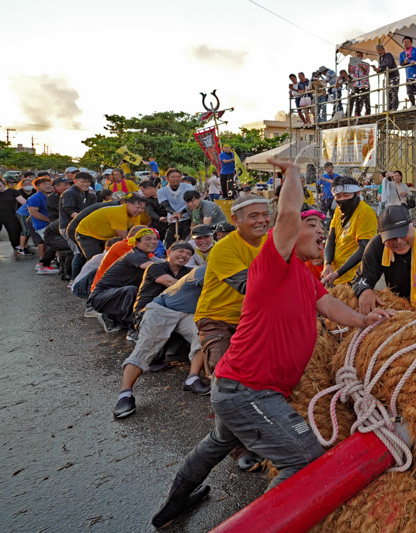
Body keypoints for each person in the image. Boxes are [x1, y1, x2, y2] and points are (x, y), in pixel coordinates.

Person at [150, 158, 393, 528]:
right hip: (248, 390)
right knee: (303, 457)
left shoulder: (303, 274)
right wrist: (292, 172)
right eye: (313, 228)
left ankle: (173, 506)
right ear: (290, 234)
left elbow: (327, 305)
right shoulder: (271, 263)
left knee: (217, 443)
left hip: (245, 388)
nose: (321, 233)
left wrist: (363, 320)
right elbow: (289, 213)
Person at [113, 262, 210, 419]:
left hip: (188, 313)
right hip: (162, 308)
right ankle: (124, 394)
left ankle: (192, 379)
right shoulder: (204, 271)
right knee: (146, 348)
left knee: (205, 335)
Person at [194, 193, 271, 377]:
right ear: (236, 220)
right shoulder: (223, 247)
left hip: (253, 316)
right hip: (218, 317)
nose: (262, 220)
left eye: (265, 214)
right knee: (223, 372)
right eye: (254, 216)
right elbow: (248, 286)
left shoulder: (272, 241)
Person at [89, 228, 159, 333]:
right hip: (101, 296)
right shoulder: (133, 254)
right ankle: (132, 328)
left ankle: (119, 319)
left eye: (155, 239)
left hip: (116, 292)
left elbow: (159, 263)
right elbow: (155, 268)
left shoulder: (141, 253)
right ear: (136, 242)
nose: (153, 242)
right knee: (131, 290)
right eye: (148, 239)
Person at [321, 176, 378, 287]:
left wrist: (338, 273)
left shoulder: (365, 212)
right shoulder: (339, 209)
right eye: (338, 196)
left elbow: (364, 248)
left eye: (346, 195)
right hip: (335, 276)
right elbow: (331, 238)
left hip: (355, 278)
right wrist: (327, 263)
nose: (342, 200)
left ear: (357, 193)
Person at [130, 242, 194, 340]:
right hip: (148, 312)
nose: (184, 255)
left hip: (174, 314)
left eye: (188, 254)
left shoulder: (189, 272)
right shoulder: (155, 267)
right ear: (168, 252)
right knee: (155, 351)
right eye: (180, 251)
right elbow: (172, 284)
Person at [75, 195, 146, 260]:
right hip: (87, 233)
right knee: (95, 259)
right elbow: (124, 236)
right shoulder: (119, 213)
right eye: (137, 207)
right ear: (128, 204)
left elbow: (136, 231)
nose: (140, 210)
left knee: (107, 256)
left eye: (142, 208)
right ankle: (76, 273)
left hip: (103, 235)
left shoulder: (135, 214)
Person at [17, 174, 53, 269]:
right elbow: (33, 213)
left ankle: (43, 263)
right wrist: (50, 220)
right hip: (41, 225)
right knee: (53, 244)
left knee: (44, 243)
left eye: (49, 184)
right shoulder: (35, 198)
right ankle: (44, 265)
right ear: (37, 187)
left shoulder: (49, 196)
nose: (48, 186)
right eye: (44, 184)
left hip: (47, 224)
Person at [59, 171, 95, 264]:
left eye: (88, 182)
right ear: (75, 181)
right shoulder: (70, 193)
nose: (86, 184)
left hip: (77, 225)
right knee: (78, 252)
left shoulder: (82, 192)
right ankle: (73, 277)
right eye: (83, 182)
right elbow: (68, 210)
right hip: (68, 226)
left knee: (81, 251)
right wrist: (83, 218)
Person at [157, 168, 194, 247]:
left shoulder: (188, 187)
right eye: (173, 177)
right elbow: (166, 205)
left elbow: (191, 202)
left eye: (178, 177)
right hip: (173, 219)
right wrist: (174, 213)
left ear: (181, 178)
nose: (176, 179)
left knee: (186, 243)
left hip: (188, 218)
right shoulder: (161, 191)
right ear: (167, 179)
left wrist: (181, 212)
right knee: (169, 245)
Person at [0, 177, 25, 255]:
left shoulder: (13, 192)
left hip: (11, 217)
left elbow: (24, 202)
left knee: (14, 233)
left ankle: (17, 247)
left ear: (2, 182)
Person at [399, 36, 416, 106]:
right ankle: (413, 105)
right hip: (409, 75)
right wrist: (405, 62)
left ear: (411, 43)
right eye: (404, 42)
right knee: (409, 91)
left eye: (407, 42)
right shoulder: (402, 54)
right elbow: (401, 64)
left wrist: (415, 61)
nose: (406, 43)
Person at [375, 44, 399, 111]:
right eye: (378, 51)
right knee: (388, 93)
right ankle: (389, 108)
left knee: (394, 92)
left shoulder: (388, 55)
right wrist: (378, 70)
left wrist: (380, 67)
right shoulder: (380, 59)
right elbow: (384, 68)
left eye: (380, 50)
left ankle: (394, 107)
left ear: (384, 50)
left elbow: (388, 64)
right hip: (388, 77)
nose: (379, 52)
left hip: (394, 76)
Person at [348, 52, 371, 116]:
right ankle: (357, 113)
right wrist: (349, 66)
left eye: (360, 55)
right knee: (357, 98)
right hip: (357, 84)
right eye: (357, 56)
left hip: (365, 83)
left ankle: (367, 112)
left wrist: (362, 67)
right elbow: (350, 72)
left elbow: (367, 72)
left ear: (362, 56)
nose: (358, 57)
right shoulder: (354, 65)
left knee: (366, 98)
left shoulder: (366, 64)